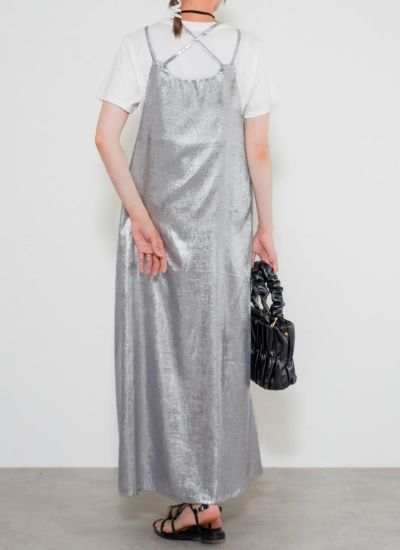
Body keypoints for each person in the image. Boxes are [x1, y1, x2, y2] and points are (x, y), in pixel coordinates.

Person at [95, 0, 280, 543]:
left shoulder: (141, 43)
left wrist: (140, 219)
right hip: (221, 234)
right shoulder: (246, 49)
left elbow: (105, 138)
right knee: (217, 359)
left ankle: (196, 500)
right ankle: (206, 499)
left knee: (160, 355)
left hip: (153, 234)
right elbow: (258, 150)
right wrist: (266, 228)